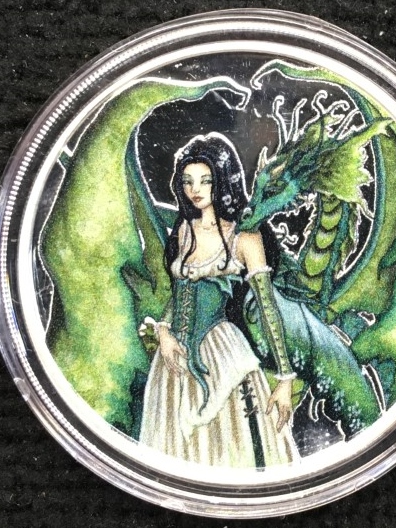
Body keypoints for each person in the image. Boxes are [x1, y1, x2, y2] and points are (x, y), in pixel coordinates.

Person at [139, 132, 298, 468]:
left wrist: (285, 379)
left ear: (222, 182)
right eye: (188, 181)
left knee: (232, 445)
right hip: (174, 361)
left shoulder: (245, 238)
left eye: (205, 180)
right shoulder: (184, 230)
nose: (195, 189)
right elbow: (180, 292)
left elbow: (268, 309)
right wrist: (164, 331)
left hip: (222, 354)